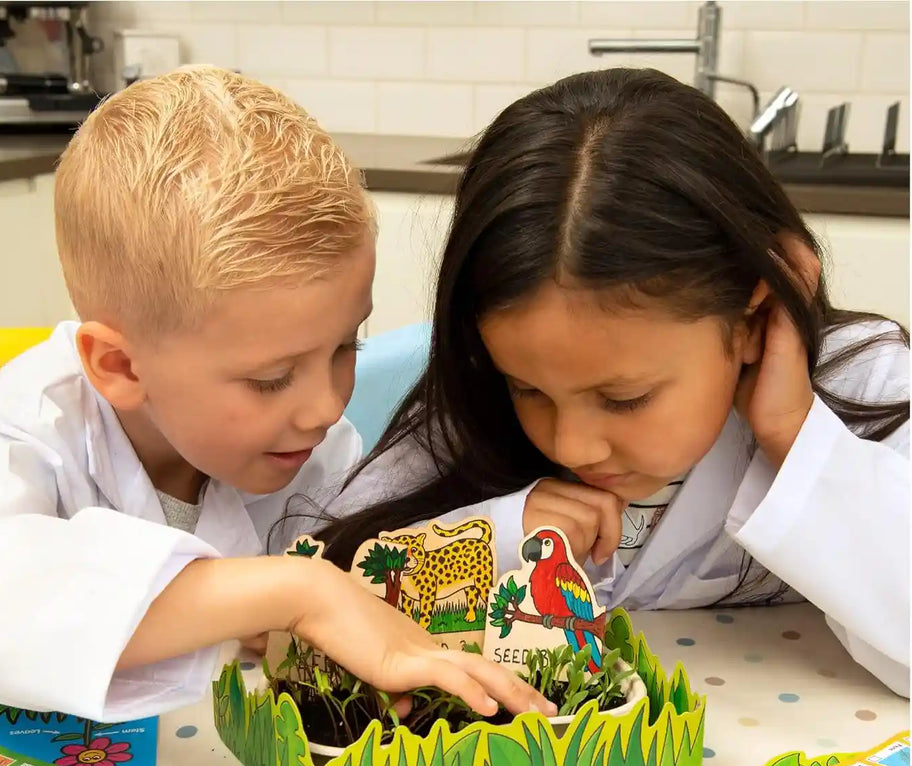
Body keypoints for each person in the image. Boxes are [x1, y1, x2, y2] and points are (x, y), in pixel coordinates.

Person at [0, 67, 552, 723]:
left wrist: (509, 532)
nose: (326, 407)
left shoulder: (299, 441)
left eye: (346, 346)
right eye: (270, 378)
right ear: (121, 365)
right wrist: (293, 594)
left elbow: (361, 559)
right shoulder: (23, 434)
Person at [318, 68, 909, 697]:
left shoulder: (866, 383)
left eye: (624, 399)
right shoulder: (475, 410)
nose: (572, 447)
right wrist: (502, 532)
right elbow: (317, 579)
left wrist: (794, 437)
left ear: (756, 308)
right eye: (528, 390)